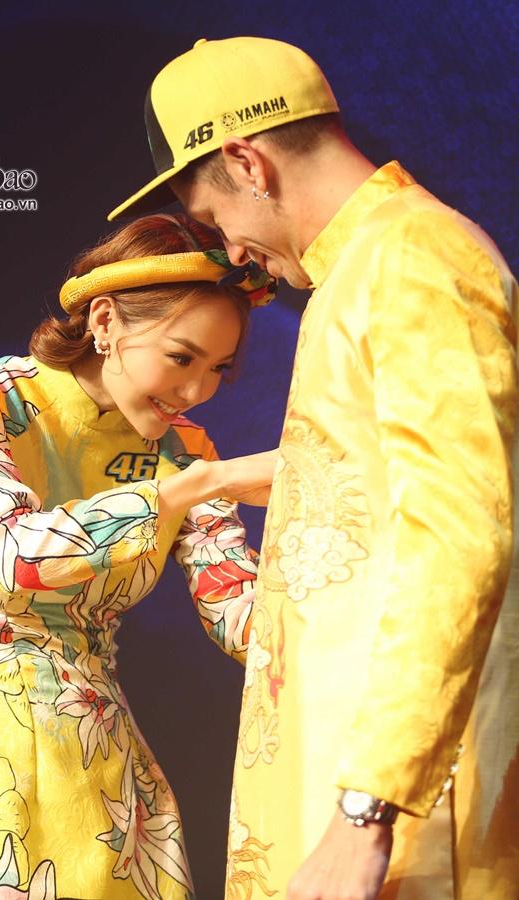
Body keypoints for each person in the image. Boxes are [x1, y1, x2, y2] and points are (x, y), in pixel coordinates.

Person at [108, 36, 519, 900]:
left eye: (217, 220)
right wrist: (225, 481)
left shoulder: (412, 257)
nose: (233, 254)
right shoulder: (364, 270)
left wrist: (367, 810)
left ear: (246, 163)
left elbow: (461, 534)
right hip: (354, 796)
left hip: (403, 824)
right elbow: (369, 487)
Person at [0, 211, 278, 899]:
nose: (197, 392)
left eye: (218, 370)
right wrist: (197, 485)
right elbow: (16, 557)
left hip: (106, 770)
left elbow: (240, 615)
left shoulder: (185, 453)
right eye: (182, 358)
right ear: (105, 321)